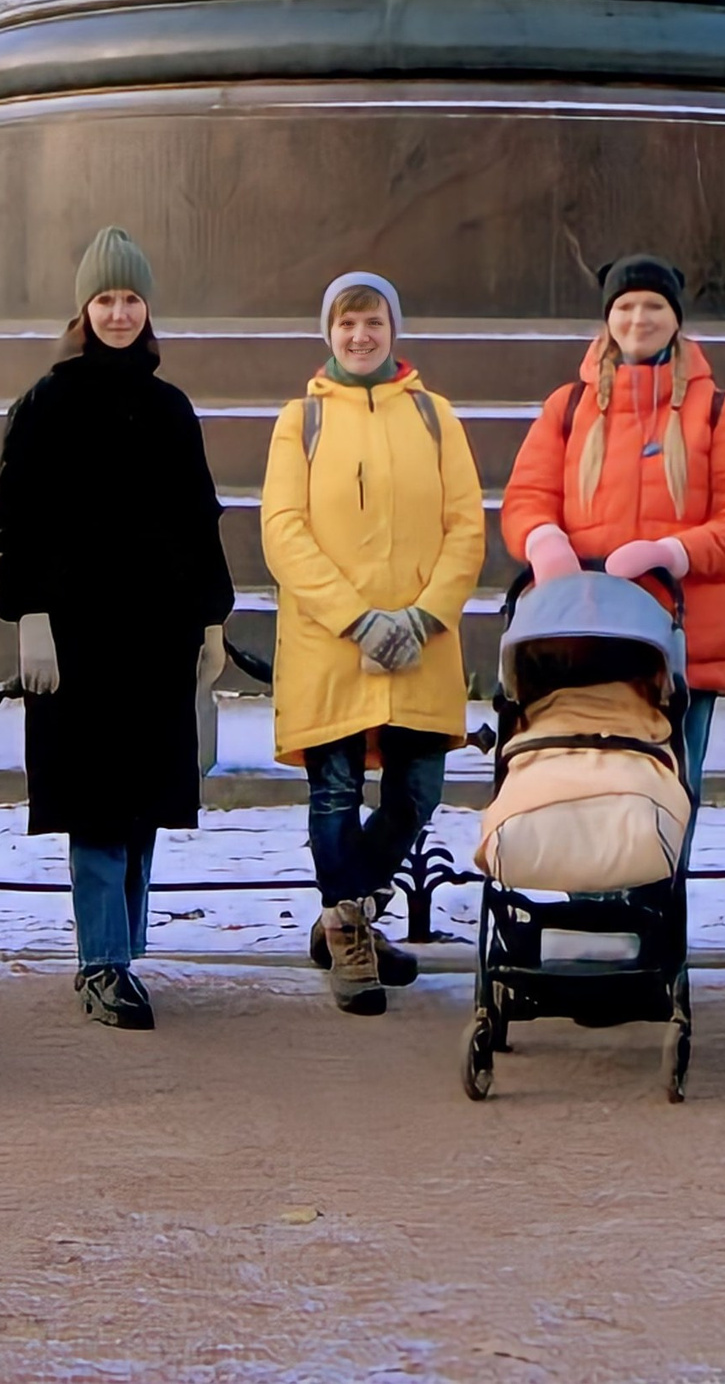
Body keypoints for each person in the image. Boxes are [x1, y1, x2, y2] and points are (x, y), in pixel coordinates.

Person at [0, 230, 235, 1031]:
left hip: (158, 635)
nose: (120, 313)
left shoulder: (171, 408)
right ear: (84, 309)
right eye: (106, 299)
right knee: (97, 800)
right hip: (79, 639)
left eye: (131, 299)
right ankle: (103, 961)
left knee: (142, 801)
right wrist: (29, 614)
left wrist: (211, 619)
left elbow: (200, 518)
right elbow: (18, 518)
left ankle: (122, 949)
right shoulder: (46, 404)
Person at [259, 272, 487, 1015]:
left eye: (374, 322)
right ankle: (350, 932)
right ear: (329, 332)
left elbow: (466, 527)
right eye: (347, 323)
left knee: (417, 792)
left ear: (394, 330)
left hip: (422, 642)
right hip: (330, 644)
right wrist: (357, 619)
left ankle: (344, 910)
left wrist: (422, 617)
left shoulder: (435, 416)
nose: (360, 336)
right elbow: (283, 531)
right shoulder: (300, 420)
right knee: (334, 790)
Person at [499, 254, 725, 802]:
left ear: (676, 319)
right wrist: (543, 540)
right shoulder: (567, 408)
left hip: (681, 638)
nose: (638, 319)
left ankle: (667, 863)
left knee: (672, 790)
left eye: (653, 306)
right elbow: (527, 496)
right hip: (583, 634)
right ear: (608, 317)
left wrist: (672, 552)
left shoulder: (719, 412)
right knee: (582, 788)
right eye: (625, 306)